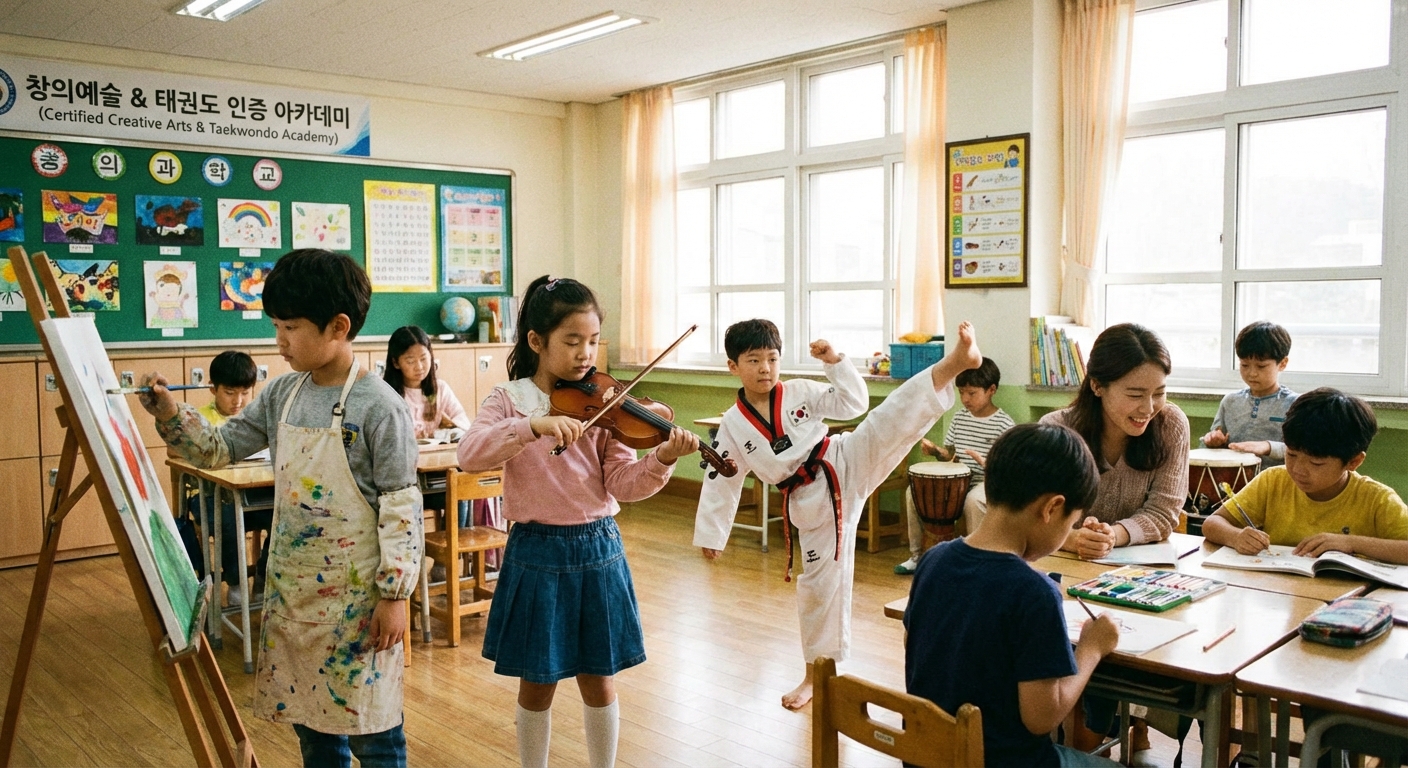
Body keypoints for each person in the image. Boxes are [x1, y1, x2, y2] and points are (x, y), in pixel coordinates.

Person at [138, 248, 422, 768]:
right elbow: (218, 447)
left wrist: (395, 594)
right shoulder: (281, 394)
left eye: (290, 327)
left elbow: (401, 507)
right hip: (293, 596)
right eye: (275, 326)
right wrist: (172, 413)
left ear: (339, 326)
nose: (280, 341)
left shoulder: (381, 407)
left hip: (358, 603)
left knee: (373, 732)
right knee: (313, 728)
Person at [457, 275, 698, 768]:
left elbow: (624, 484)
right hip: (535, 550)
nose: (585, 353)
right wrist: (531, 426)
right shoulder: (509, 400)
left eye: (592, 340)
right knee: (536, 682)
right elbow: (470, 454)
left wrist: (662, 460)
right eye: (572, 341)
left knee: (599, 678)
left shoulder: (606, 404)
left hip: (598, 547)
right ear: (536, 341)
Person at [695, 317, 983, 710]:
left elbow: (854, 404)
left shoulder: (799, 391)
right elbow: (722, 478)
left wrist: (834, 362)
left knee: (888, 418)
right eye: (754, 360)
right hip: (810, 500)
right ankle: (816, 674)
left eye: (772, 359)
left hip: (840, 458)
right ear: (733, 366)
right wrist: (713, 534)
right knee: (818, 586)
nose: (765, 368)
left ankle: (956, 363)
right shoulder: (732, 426)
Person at [906, 422, 1119, 767]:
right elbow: (1042, 718)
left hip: (928, 757)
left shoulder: (934, 560)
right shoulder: (1034, 593)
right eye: (1071, 524)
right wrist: (1092, 648)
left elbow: (914, 645)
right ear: (1052, 508)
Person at [1203, 387, 1408, 562]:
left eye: (1316, 463)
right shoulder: (1273, 481)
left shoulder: (1377, 499)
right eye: (1291, 454)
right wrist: (1236, 536)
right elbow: (1212, 523)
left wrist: (1351, 543)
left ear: (1354, 462)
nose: (1298, 469)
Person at [1040, 323, 1188, 560]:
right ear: (1097, 386)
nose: (1148, 408)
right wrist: (1071, 540)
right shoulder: (1056, 429)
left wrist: (1112, 536)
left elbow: (1164, 511)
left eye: (1159, 393)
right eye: (1135, 395)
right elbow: (1035, 514)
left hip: (1134, 565)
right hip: (1061, 560)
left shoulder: (1172, 425)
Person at [895, 356, 1014, 574]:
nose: (965, 399)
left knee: (974, 500)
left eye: (972, 393)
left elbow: (1009, 469)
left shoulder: (1004, 424)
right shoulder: (959, 418)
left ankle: (979, 560)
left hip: (985, 482)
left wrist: (988, 464)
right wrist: (935, 451)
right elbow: (950, 456)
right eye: (961, 393)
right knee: (913, 493)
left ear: (991, 390)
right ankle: (917, 556)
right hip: (957, 482)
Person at [194, 350, 270, 606]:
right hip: (212, 496)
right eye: (229, 392)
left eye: (245, 393)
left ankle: (263, 577)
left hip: (251, 494)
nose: (238, 401)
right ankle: (236, 581)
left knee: (284, 515)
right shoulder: (200, 419)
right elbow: (175, 449)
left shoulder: (255, 419)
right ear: (212, 388)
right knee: (227, 518)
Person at [1200, 321, 1297, 468]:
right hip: (1232, 478)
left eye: (1261, 366)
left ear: (1282, 363)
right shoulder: (1230, 401)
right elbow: (1208, 448)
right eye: (1244, 365)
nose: (1252, 373)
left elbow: (1304, 452)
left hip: (1276, 479)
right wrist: (1212, 442)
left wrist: (1268, 447)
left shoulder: (1295, 404)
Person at [384, 325, 470, 440]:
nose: (419, 367)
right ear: (395, 363)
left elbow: (464, 423)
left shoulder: (440, 388)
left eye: (423, 359)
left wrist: (451, 425)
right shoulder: (387, 393)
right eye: (410, 361)